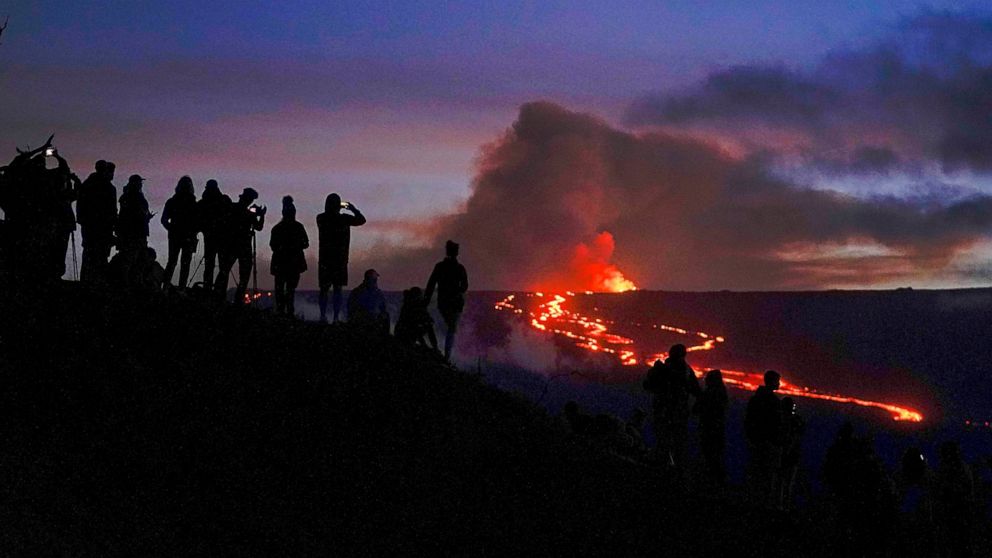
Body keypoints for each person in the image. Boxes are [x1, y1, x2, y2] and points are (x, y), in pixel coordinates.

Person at [642, 344, 701, 470]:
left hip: (667, 410)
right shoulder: (686, 370)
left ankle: (665, 467)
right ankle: (673, 469)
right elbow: (696, 390)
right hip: (675, 412)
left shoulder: (668, 369)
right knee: (675, 441)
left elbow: (648, 385)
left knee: (665, 439)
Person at [316, 193, 365, 323]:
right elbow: (361, 220)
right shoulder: (344, 219)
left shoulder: (321, 218)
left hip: (326, 260)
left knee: (324, 290)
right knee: (337, 290)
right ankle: (335, 317)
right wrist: (353, 209)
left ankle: (323, 316)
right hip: (339, 260)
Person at [214, 187, 265, 302]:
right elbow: (259, 227)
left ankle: (219, 296)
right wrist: (261, 215)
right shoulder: (248, 214)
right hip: (243, 247)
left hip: (230, 245)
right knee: (243, 275)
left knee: (224, 271)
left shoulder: (231, 208)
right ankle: (237, 300)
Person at [425, 240, 469, 361]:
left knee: (446, 327)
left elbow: (431, 284)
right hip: (455, 303)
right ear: (457, 252)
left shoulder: (440, 267)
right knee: (451, 328)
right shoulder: (460, 268)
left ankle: (441, 351)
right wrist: (457, 291)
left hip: (443, 302)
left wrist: (426, 301)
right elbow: (465, 286)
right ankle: (447, 356)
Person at [744, 370, 783, 506]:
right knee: (766, 476)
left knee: (756, 474)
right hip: (767, 443)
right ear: (772, 382)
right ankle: (763, 506)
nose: (779, 384)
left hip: (756, 441)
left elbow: (748, 420)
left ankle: (753, 503)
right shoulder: (774, 402)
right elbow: (777, 424)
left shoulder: (756, 399)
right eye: (777, 381)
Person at [77, 160, 117, 283]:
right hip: (98, 226)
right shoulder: (105, 187)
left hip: (95, 225)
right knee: (97, 253)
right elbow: (111, 209)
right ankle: (94, 280)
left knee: (94, 253)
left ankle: (91, 280)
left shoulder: (89, 184)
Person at [269, 196, 309, 316]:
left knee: (280, 289)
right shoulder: (298, 227)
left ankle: (281, 311)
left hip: (281, 263)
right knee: (290, 289)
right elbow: (306, 243)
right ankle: (288, 311)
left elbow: (273, 245)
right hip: (293, 263)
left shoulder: (277, 228)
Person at [161, 176, 198, 289]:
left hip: (176, 236)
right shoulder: (193, 203)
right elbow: (197, 222)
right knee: (184, 264)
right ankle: (180, 288)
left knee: (172, 262)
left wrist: (172, 229)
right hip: (186, 237)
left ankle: (165, 287)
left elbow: (164, 220)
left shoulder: (172, 201)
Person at [116, 174, 153, 287]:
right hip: (134, 232)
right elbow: (133, 215)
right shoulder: (133, 197)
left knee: (135, 259)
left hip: (134, 232)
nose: (141, 184)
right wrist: (144, 217)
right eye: (139, 182)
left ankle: (132, 282)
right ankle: (128, 283)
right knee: (131, 259)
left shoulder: (127, 197)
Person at [694, 369, 728, 484]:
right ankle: (716, 482)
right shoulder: (722, 394)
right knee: (715, 456)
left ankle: (708, 482)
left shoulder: (708, 394)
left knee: (708, 456)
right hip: (717, 429)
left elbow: (696, 409)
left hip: (708, 429)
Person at [196, 179, 230, 286]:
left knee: (209, 265)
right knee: (223, 267)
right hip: (222, 237)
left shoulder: (203, 202)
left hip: (210, 237)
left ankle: (208, 289)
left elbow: (198, 219)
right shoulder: (224, 200)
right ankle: (219, 291)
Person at [778, 396, 805, 508]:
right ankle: (784, 507)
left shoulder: (783, 420)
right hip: (791, 456)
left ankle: (780, 506)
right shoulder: (795, 421)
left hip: (785, 455)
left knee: (782, 482)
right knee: (787, 483)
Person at [347, 268, 388, 334]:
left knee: (385, 316)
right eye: (374, 280)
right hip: (361, 322)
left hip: (373, 322)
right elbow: (351, 310)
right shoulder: (357, 292)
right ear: (368, 279)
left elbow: (383, 309)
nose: (376, 281)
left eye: (376, 280)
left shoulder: (378, 293)